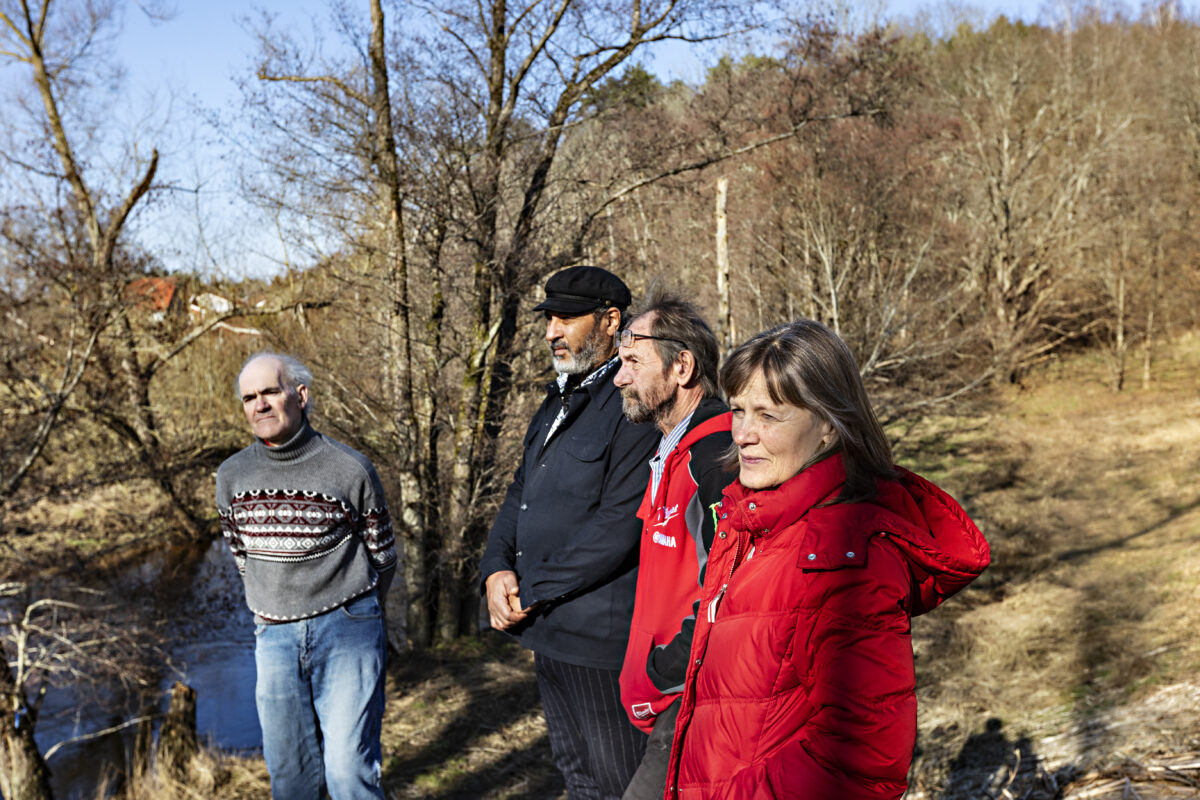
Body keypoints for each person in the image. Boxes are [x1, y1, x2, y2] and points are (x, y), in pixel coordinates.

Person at [663, 321, 991, 800]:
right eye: (738, 411)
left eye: (769, 416)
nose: (744, 434)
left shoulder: (844, 555)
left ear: (827, 429)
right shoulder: (749, 521)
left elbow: (861, 758)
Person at [480, 265, 660, 800]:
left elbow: (617, 529)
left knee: (619, 783)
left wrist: (528, 591)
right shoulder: (557, 400)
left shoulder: (633, 405)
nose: (551, 331)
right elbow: (520, 493)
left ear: (610, 321)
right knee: (576, 778)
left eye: (565, 319)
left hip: (600, 643)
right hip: (547, 632)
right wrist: (495, 569)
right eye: (549, 319)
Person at [216, 352, 397, 800]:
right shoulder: (231, 475)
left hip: (347, 629)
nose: (259, 405)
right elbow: (242, 555)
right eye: (249, 398)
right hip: (273, 636)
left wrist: (355, 608)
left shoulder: (350, 468)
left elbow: (384, 557)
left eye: (270, 392)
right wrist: (272, 604)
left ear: (300, 396)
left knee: (348, 773)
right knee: (291, 778)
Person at [610, 289, 733, 800]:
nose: (620, 378)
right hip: (669, 702)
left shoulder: (717, 458)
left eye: (633, 362)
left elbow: (733, 585)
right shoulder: (671, 448)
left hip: (695, 703)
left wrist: (668, 668)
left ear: (681, 366)